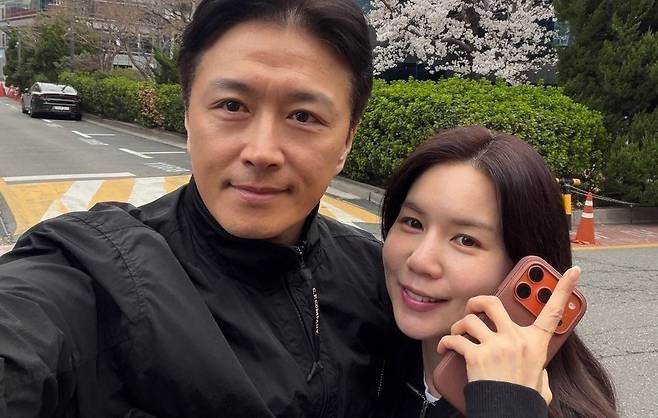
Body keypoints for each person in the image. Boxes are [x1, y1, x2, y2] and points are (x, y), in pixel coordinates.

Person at [379, 126, 618, 417]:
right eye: (413, 222)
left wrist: (507, 404)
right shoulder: (358, 351)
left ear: (520, 267)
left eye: (466, 240)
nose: (420, 260)